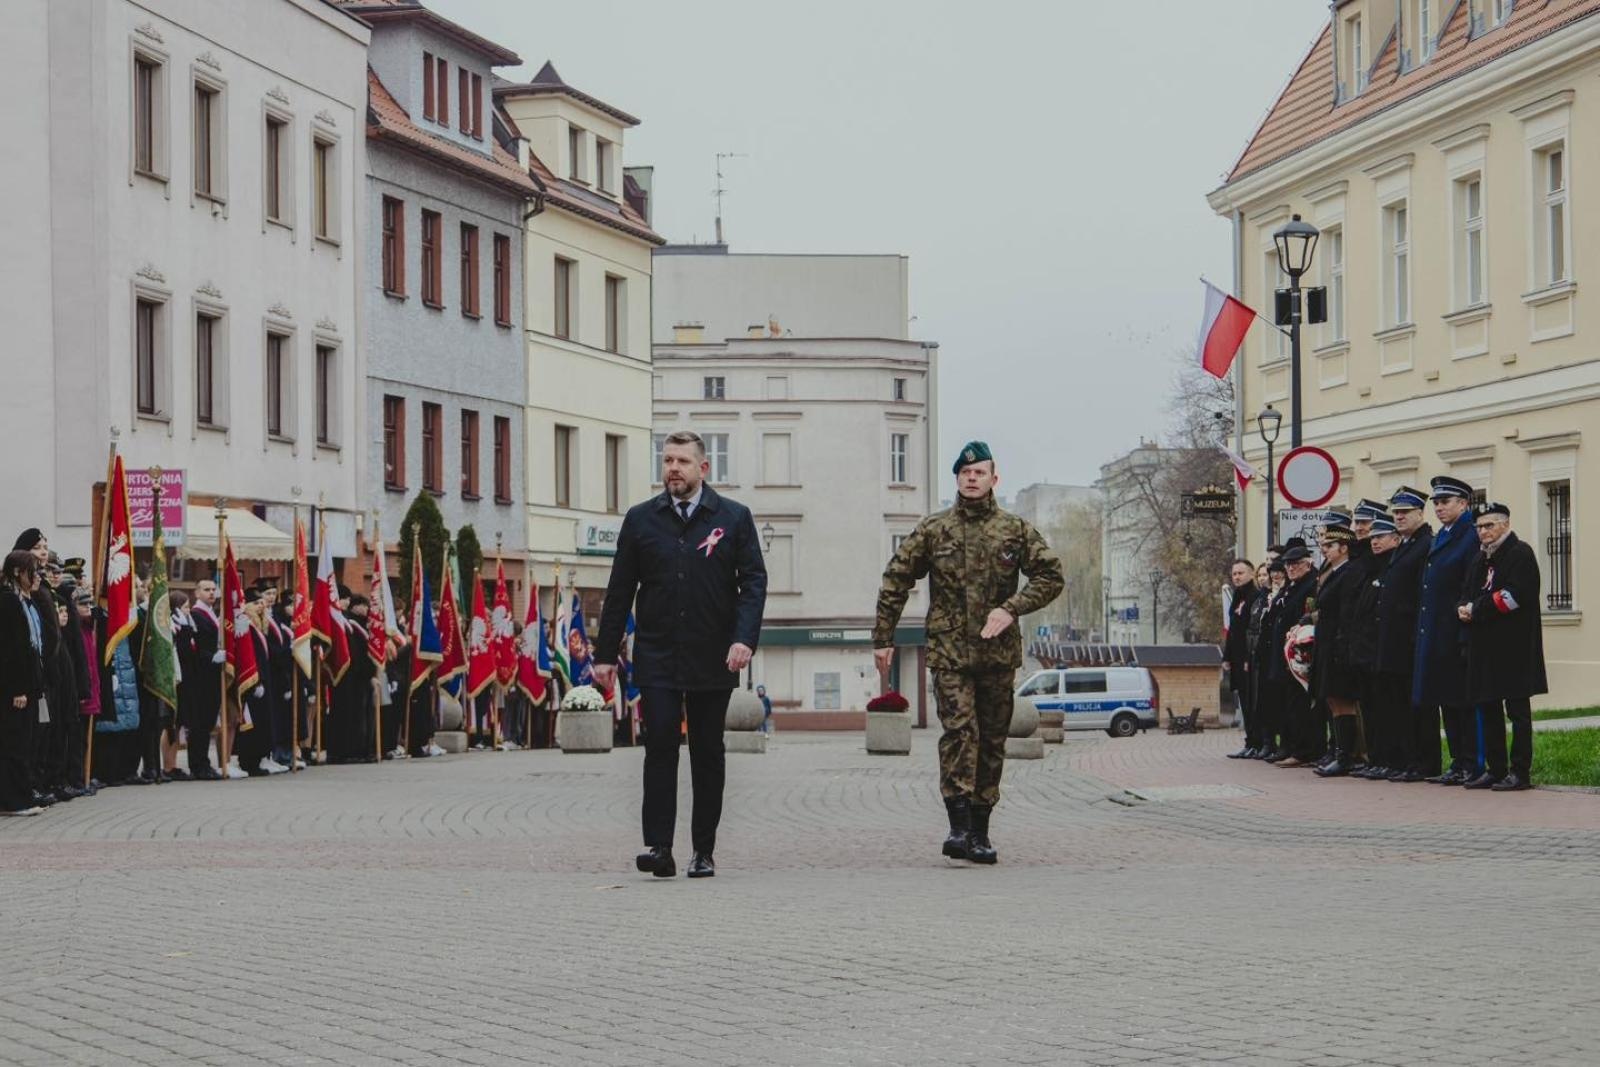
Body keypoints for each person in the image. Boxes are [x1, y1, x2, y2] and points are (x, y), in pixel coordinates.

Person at [873, 440, 1063, 865]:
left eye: (980, 473)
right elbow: (896, 578)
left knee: (993, 741)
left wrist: (1011, 608)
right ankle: (958, 826)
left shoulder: (1014, 530)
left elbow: (1051, 577)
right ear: (957, 478)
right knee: (961, 732)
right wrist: (883, 637)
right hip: (949, 654)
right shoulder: (934, 529)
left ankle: (980, 831)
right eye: (965, 473)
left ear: (994, 479)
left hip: (997, 656)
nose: (972, 479)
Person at [594, 429, 768, 880]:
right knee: (660, 746)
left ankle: (703, 850)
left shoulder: (732, 518)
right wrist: (605, 654)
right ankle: (660, 847)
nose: (673, 468)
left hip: (714, 654)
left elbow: (753, 582)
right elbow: (619, 591)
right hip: (657, 653)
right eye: (668, 460)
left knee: (707, 751)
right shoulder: (641, 520)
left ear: (703, 469)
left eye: (682, 462)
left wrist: (743, 638)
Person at [1458, 503, 1546, 791]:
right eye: (1479, 527)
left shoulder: (1520, 553)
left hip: (1514, 648)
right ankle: (1495, 769)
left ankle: (1520, 772)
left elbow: (1513, 596)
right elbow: (1467, 592)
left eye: (1489, 526)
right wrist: (1462, 608)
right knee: (1488, 707)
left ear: (1505, 525)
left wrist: (1476, 608)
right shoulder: (1479, 559)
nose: (1483, 532)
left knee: (1517, 711)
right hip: (1484, 648)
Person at [1414, 476, 1481, 785]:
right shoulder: (1443, 535)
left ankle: (1471, 761)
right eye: (1436, 503)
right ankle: (1457, 760)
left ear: (1464, 504)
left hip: (1456, 631)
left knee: (1461, 702)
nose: (1439, 507)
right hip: (1437, 631)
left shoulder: (1470, 535)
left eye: (1445, 502)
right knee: (1445, 700)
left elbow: (1471, 582)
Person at [1345, 515, 1401, 779]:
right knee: (1371, 709)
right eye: (1373, 538)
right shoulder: (1372, 568)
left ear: (1395, 538)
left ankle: (1389, 759)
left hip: (1382, 650)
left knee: (1386, 709)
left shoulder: (1391, 566)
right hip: (1366, 651)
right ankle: (1377, 758)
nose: (1374, 542)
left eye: (1380, 537)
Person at [1311, 520, 1363, 776]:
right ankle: (1338, 751)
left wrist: (1342, 645)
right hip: (1327, 641)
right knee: (1331, 698)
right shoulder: (1332, 572)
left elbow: (1347, 612)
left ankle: (1346, 755)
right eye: (1322, 545)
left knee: (1342, 699)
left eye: (1329, 545)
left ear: (1344, 547)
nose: (1324, 550)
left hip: (1339, 643)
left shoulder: (1350, 571)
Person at [0, 550, 48, 815]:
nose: (37, 576)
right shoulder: (7, 601)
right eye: (33, 570)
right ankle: (13, 801)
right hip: (14, 689)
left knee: (24, 743)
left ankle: (22, 795)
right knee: (14, 744)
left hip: (28, 684)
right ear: (18, 572)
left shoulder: (21, 600)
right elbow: (11, 650)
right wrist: (17, 688)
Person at [1270, 545, 1319, 767]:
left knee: (1302, 704)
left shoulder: (1310, 584)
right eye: (1288, 565)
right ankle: (1292, 746)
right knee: (1290, 703)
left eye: (1295, 564)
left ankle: (1305, 750)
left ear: (1307, 563)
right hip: (1287, 652)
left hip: (1302, 652)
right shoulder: (1292, 586)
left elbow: (1308, 613)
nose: (1290, 568)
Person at [180, 577, 225, 780]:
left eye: (214, 589)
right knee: (199, 723)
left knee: (206, 723)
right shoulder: (197, 615)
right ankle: (198, 765)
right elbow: (195, 647)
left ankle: (203, 762)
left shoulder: (210, 614)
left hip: (211, 675)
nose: (211, 593)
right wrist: (212, 657)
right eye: (206, 589)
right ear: (197, 593)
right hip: (201, 676)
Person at [1244, 560, 1285, 759]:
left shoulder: (1277, 596)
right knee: (1258, 702)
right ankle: (1263, 742)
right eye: (1260, 575)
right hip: (1258, 653)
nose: (1263, 578)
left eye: (1265, 574)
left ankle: (1272, 743)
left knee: (1271, 701)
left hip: (1272, 653)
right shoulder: (1259, 599)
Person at [1222, 559, 1258, 759]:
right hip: (1236, 657)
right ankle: (1250, 741)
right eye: (1234, 573)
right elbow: (1232, 629)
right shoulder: (1237, 596)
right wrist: (1227, 656)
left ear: (1251, 574)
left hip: (1248, 658)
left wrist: (1246, 658)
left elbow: (1251, 630)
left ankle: (1257, 742)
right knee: (1244, 701)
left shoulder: (1255, 596)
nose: (1237, 577)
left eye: (1241, 573)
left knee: (1252, 702)